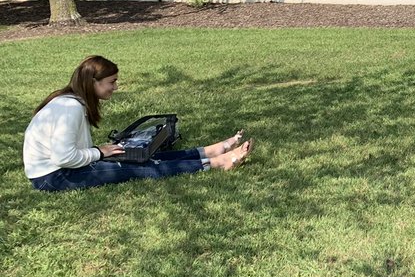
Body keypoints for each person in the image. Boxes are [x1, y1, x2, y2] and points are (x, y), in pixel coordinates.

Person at [23, 55, 254, 193]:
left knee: (138, 155)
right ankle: (217, 163)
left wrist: (100, 152)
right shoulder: (70, 108)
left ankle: (206, 152)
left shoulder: (71, 102)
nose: (115, 87)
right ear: (92, 82)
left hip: (62, 169)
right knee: (138, 168)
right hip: (53, 177)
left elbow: (70, 153)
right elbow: (63, 158)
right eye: (111, 82)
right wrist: (98, 153)